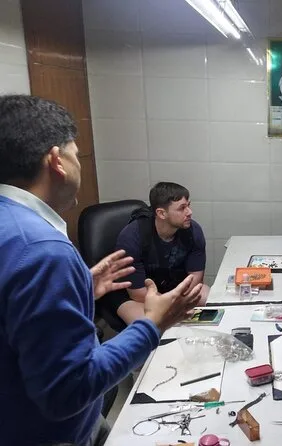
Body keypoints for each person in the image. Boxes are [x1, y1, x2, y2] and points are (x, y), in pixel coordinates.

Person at [0, 94, 201, 445]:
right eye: (76, 154)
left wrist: (78, 286)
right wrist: (153, 325)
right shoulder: (43, 249)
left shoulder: (13, 230)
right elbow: (67, 391)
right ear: (57, 161)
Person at [98, 182, 209, 325]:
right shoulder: (132, 237)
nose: (189, 212)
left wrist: (177, 300)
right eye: (182, 208)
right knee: (151, 325)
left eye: (188, 205)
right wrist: (172, 305)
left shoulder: (193, 230)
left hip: (171, 287)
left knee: (208, 298)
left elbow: (195, 278)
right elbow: (137, 293)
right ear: (161, 213)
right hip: (133, 295)